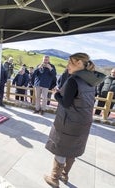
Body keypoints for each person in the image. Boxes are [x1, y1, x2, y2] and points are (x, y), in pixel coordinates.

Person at [44, 53, 105, 188]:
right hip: (83, 123)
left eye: (69, 63)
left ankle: (54, 178)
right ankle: (65, 175)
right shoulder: (91, 80)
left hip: (69, 123)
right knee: (72, 151)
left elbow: (65, 103)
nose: (67, 66)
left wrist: (56, 94)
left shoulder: (73, 80)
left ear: (78, 63)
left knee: (62, 149)